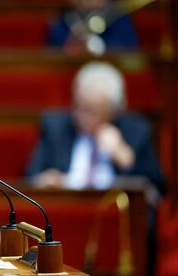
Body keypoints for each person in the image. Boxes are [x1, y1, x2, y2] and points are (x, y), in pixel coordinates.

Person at [25, 61, 165, 275]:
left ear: (113, 110)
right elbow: (30, 176)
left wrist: (125, 157)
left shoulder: (135, 130)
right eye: (78, 107)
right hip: (66, 211)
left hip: (114, 216)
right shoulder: (55, 126)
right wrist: (45, 180)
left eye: (91, 110)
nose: (81, 116)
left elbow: (157, 188)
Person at [46, 0, 139, 56]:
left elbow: (129, 49)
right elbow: (52, 51)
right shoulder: (63, 20)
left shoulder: (117, 17)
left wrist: (95, 45)